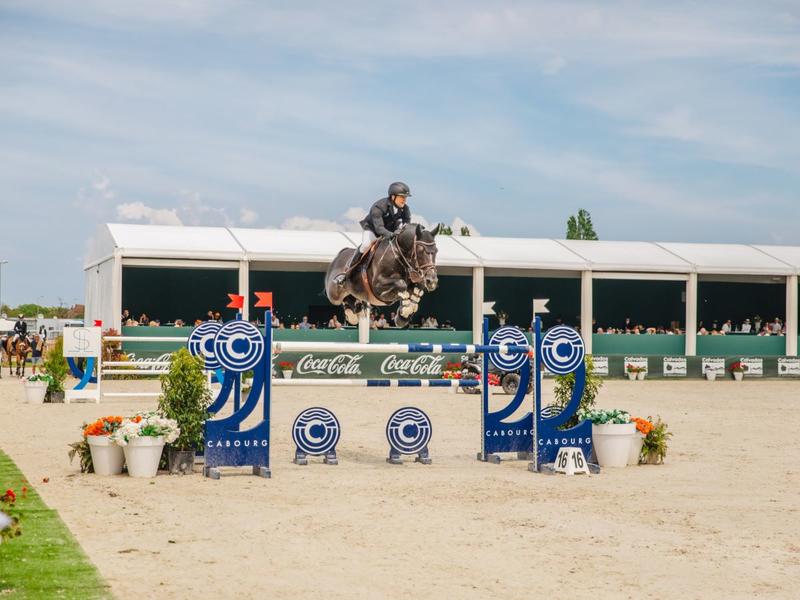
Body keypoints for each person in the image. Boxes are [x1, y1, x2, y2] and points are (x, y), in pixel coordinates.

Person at [334, 182, 413, 286]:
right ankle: (346, 272)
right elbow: (379, 228)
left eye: (405, 197)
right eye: (402, 197)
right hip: (373, 230)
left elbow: (406, 224)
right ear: (393, 196)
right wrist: (391, 234)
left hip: (390, 231)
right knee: (366, 244)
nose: (404, 200)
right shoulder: (379, 206)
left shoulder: (405, 208)